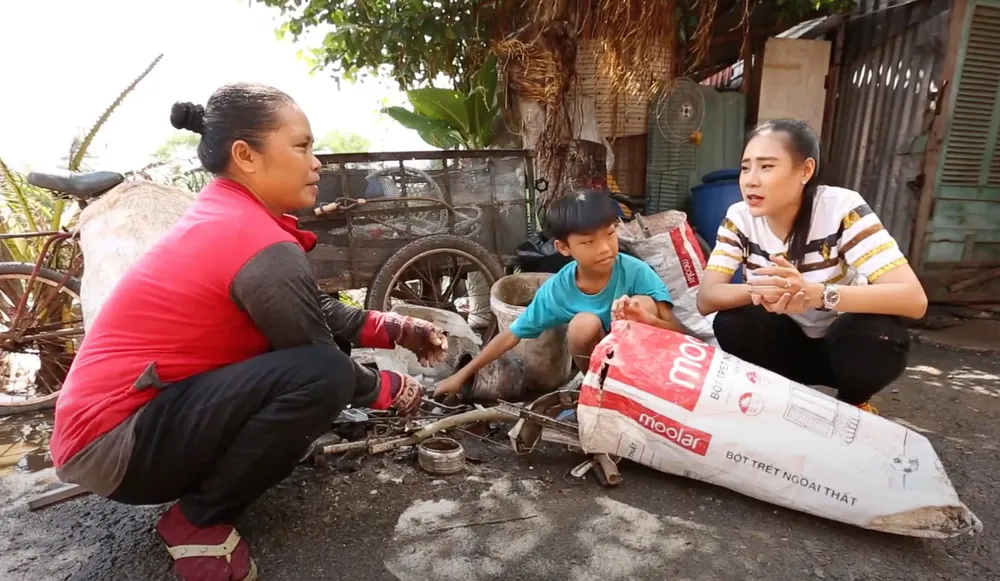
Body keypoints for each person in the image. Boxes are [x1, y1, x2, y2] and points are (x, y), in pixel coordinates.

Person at [50, 83, 449, 581]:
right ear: (245, 155)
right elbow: (316, 355)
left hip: (124, 429)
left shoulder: (228, 216)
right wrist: (389, 388)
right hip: (116, 446)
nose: (316, 163)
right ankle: (197, 522)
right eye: (301, 146)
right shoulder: (253, 238)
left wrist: (398, 328)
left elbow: (308, 309)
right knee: (324, 373)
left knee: (324, 363)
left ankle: (218, 480)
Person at [696, 118, 927, 415]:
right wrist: (763, 288)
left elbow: (913, 299)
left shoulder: (841, 209)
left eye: (766, 166)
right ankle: (773, 403)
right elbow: (707, 297)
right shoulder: (739, 218)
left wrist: (815, 294)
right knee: (733, 322)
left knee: (880, 335)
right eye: (745, 167)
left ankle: (853, 403)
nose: (750, 180)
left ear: (805, 171)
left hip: (841, 348)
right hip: (783, 347)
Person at [434, 189, 685, 399]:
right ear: (563, 248)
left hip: (648, 368)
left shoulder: (636, 271)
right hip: (605, 370)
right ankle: (598, 390)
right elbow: (511, 334)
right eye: (588, 242)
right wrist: (461, 376)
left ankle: (641, 392)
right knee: (582, 324)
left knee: (643, 303)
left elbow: (679, 333)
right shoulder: (558, 289)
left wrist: (647, 321)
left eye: (610, 234)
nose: (604, 248)